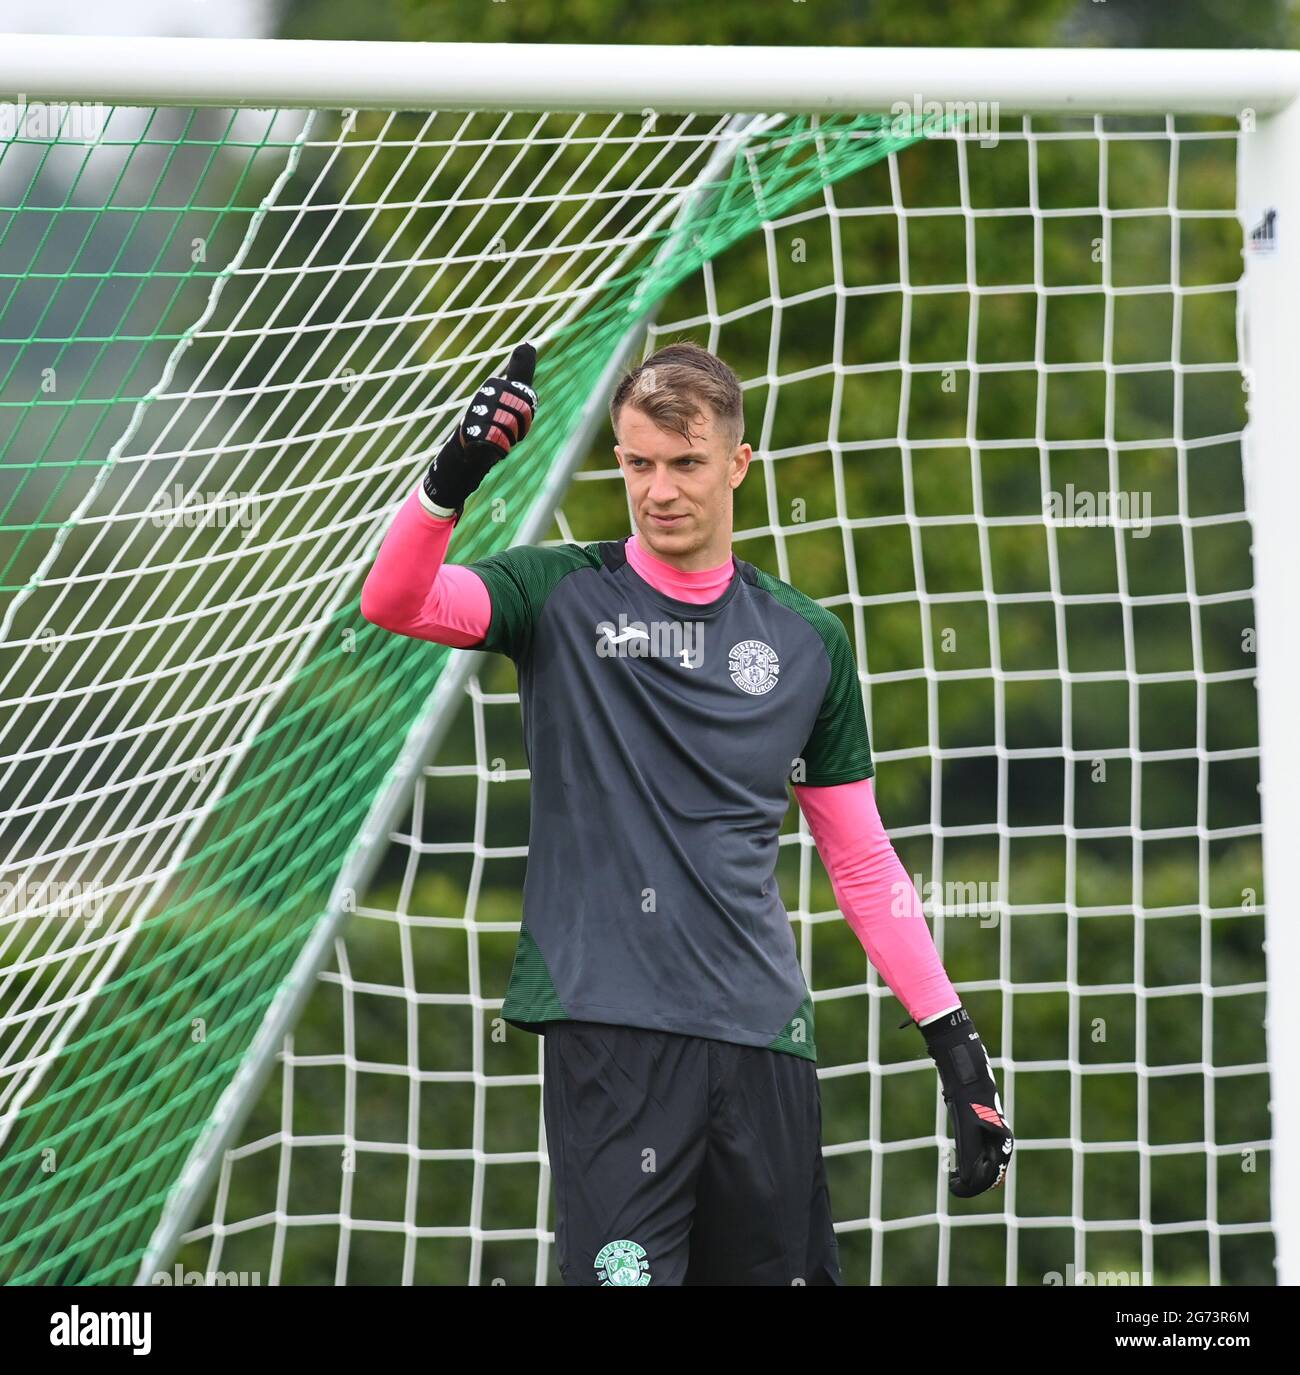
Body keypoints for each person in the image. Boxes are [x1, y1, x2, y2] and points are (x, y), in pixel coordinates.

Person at [361, 340, 1013, 1286]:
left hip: (763, 1039)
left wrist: (955, 1045)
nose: (659, 489)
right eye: (637, 464)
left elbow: (863, 861)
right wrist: (449, 479)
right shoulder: (556, 594)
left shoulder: (808, 640)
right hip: (612, 1036)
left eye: (686, 462)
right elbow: (396, 598)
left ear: (738, 463)